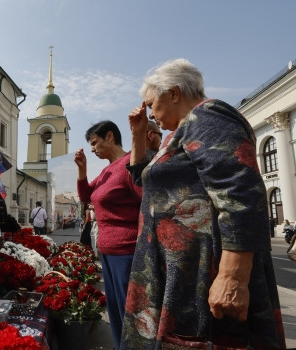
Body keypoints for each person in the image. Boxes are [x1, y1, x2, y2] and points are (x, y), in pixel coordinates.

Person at [123, 58, 285, 347]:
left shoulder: (209, 116)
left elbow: (241, 192)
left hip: (200, 271)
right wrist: (137, 135)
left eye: (151, 104)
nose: (149, 114)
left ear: (173, 93)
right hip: (181, 268)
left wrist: (232, 277)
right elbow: (145, 183)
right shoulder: (182, 132)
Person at [74, 120, 142, 349]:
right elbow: (86, 197)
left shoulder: (130, 164)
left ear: (110, 137)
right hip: (108, 251)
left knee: (131, 313)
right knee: (114, 311)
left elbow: (147, 204)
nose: (92, 149)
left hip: (127, 252)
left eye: (95, 143)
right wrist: (82, 170)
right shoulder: (105, 171)